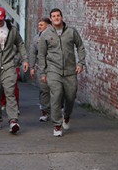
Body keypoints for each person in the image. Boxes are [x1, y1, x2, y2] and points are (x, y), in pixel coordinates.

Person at [37, 8, 86, 137]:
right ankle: (57, 125)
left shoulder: (71, 32)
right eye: (53, 16)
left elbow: (80, 46)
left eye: (58, 15)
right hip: (53, 70)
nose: (56, 18)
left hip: (70, 71)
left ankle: (67, 115)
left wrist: (81, 63)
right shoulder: (46, 34)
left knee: (71, 96)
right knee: (56, 95)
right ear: (51, 19)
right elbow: (41, 55)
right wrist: (43, 73)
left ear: (62, 17)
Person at [29, 17, 51, 122]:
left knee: (57, 89)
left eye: (41, 25)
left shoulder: (54, 37)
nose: (39, 27)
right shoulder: (35, 39)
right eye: (38, 25)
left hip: (54, 67)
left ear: (47, 25)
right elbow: (32, 54)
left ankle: (58, 109)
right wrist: (32, 67)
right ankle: (45, 111)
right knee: (44, 90)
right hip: (42, 67)